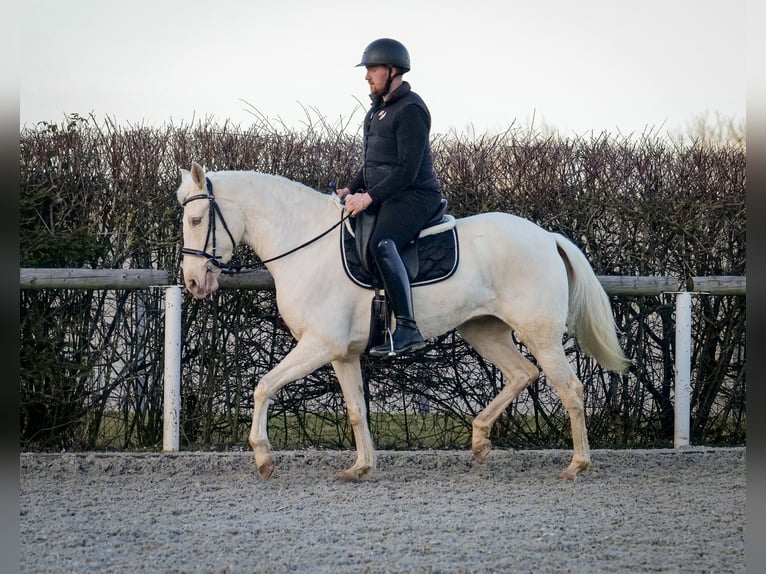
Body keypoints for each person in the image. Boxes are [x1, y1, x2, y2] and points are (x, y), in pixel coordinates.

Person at [338, 38, 444, 357]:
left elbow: (406, 170)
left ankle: (408, 328)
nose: (367, 76)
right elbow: (373, 164)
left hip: (416, 196)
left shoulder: (411, 109)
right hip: (390, 195)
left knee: (382, 243)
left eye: (372, 69)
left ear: (393, 70)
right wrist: (351, 188)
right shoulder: (376, 113)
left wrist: (368, 199)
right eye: (367, 70)